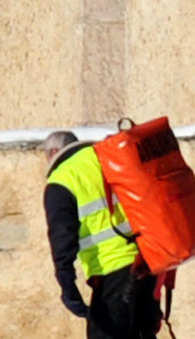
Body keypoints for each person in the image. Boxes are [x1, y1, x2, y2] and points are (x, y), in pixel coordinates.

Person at [43, 131, 162, 338]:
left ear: (53, 152)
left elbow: (62, 236)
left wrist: (66, 282)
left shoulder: (62, 179)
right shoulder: (107, 157)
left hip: (113, 271)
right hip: (149, 262)